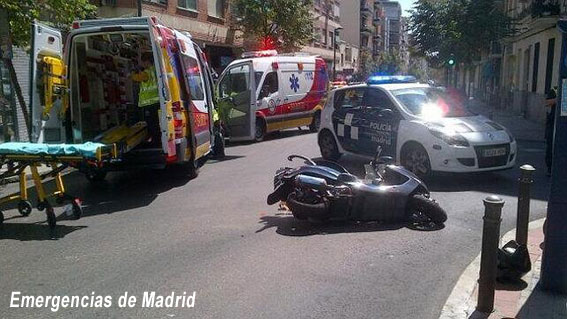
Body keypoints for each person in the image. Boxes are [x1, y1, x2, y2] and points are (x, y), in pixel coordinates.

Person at [545, 86, 558, 176]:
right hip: (553, 123)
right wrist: (558, 99)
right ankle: (550, 168)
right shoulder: (554, 90)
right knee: (551, 146)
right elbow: (547, 103)